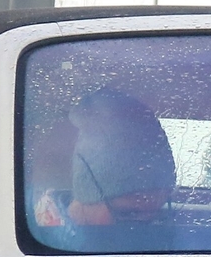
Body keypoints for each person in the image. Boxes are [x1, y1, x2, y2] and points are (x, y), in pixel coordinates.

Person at [32, 90, 176, 230]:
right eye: (128, 214)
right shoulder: (33, 235)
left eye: (157, 217)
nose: (144, 230)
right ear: (88, 192)